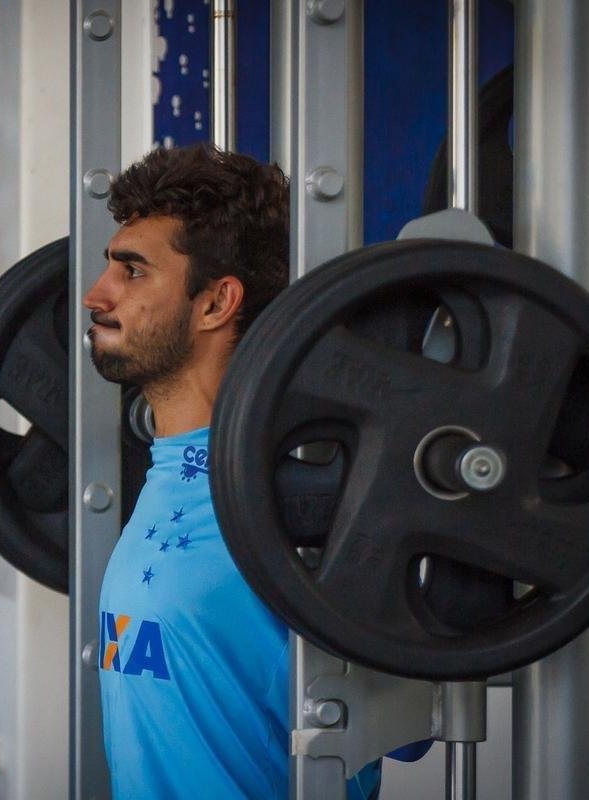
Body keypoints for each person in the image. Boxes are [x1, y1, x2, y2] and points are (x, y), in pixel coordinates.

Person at [83, 143, 429, 799]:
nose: (94, 295)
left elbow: (404, 727)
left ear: (215, 303)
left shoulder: (300, 508)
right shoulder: (168, 477)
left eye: (131, 272)